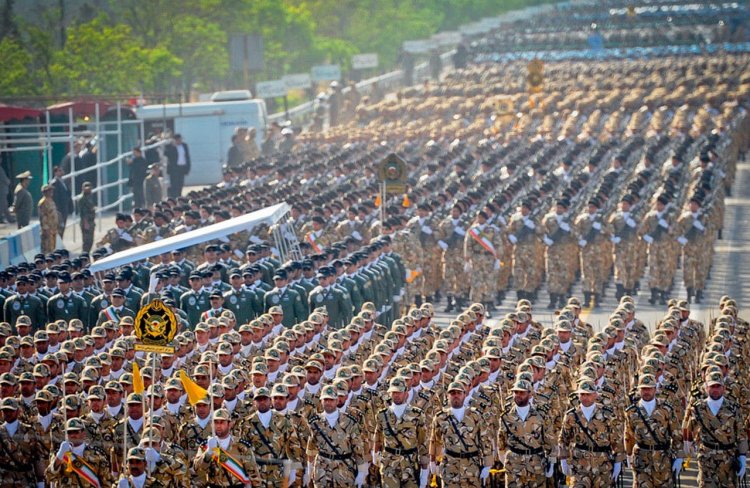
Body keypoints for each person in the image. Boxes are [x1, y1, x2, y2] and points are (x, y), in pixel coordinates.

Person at [164, 134, 190, 198]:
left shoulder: (184, 146)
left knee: (180, 184)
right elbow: (166, 154)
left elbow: (187, 157)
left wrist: (188, 168)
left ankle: (179, 196)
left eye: (180, 139)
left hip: (182, 168)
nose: (180, 141)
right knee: (174, 185)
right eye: (178, 140)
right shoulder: (170, 146)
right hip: (174, 169)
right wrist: (173, 146)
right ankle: (174, 197)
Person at [38, 184, 59, 253]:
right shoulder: (43, 202)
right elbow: (43, 217)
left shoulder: (51, 201)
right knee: (47, 250)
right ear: (45, 192)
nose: (51, 192)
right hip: (47, 231)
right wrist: (46, 229)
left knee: (52, 249)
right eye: (49, 191)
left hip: (53, 229)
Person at [77, 181, 96, 254]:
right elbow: (83, 212)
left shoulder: (90, 196)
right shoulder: (82, 198)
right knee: (86, 241)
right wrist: (85, 223)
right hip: (86, 222)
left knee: (91, 241)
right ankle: (84, 256)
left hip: (91, 221)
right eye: (86, 186)